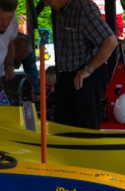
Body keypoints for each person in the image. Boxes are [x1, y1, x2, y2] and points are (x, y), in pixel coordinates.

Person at [43, 0, 118, 129]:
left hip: (85, 76)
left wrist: (88, 69)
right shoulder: (61, 11)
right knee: (62, 128)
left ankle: (87, 149)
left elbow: (110, 41)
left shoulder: (83, 9)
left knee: (85, 129)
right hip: (68, 76)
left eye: (47, 0)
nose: (46, 4)